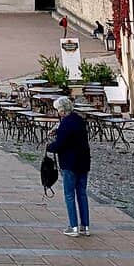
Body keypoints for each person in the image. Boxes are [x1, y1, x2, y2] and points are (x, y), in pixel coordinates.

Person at [47, 95, 91, 236]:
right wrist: (58, 131)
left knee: (69, 194)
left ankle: (73, 226)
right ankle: (85, 226)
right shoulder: (79, 120)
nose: (58, 113)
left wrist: (49, 147)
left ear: (62, 110)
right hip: (83, 161)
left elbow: (60, 144)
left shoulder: (65, 123)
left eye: (58, 110)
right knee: (82, 193)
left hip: (70, 162)